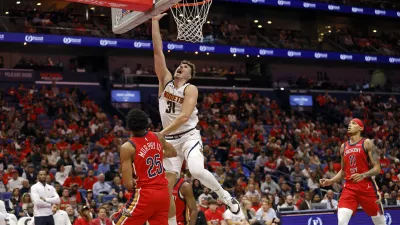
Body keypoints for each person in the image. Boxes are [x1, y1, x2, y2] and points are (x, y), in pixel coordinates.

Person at [152, 13, 240, 225]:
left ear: (189, 75)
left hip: (188, 136)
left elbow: (183, 117)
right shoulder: (165, 81)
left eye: (185, 67)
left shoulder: (191, 89)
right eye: (179, 65)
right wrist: (154, 21)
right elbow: (157, 51)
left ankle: (225, 196)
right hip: (170, 140)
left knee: (197, 170)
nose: (180, 67)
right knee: (164, 190)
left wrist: (160, 134)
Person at [112, 108, 177, 225]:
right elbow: (173, 153)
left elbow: (128, 184)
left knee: (117, 222)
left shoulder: (127, 147)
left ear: (129, 126)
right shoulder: (158, 136)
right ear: (146, 123)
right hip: (163, 194)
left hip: (145, 195)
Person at [320, 118, 385, 225]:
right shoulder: (343, 146)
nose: (350, 125)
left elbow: (377, 168)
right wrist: (330, 181)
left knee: (380, 223)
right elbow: (343, 171)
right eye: (349, 123)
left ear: (361, 128)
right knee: (341, 221)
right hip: (349, 188)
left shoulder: (367, 143)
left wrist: (363, 175)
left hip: (367, 187)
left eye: (353, 123)